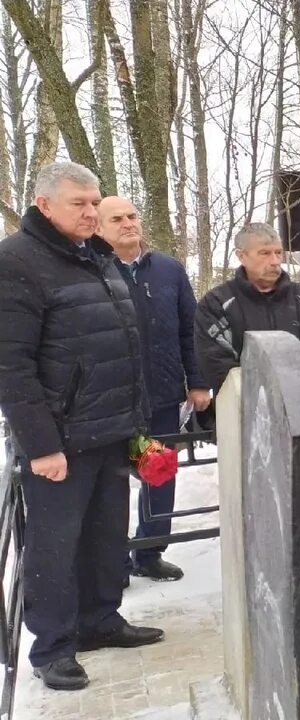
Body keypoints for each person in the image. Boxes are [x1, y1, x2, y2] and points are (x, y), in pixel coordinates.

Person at [0, 162, 164, 691]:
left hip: (111, 430)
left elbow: (122, 344)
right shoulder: (18, 262)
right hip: (60, 442)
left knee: (104, 537)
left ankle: (100, 620)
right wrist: (41, 444)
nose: (93, 212)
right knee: (55, 546)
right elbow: (11, 362)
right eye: (80, 204)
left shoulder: (95, 257)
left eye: (96, 202)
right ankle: (52, 646)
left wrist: (136, 424)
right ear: (44, 205)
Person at [98, 195, 210, 583]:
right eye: (117, 219)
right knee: (111, 485)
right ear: (98, 227)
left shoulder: (168, 269)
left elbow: (189, 328)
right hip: (110, 401)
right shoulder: (92, 269)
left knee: (159, 476)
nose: (128, 223)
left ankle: (150, 552)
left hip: (162, 395)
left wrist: (197, 381)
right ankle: (113, 562)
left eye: (132, 216)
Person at [195, 223, 300, 394]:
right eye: (264, 253)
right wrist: (262, 398)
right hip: (241, 410)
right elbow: (215, 363)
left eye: (278, 253)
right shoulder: (217, 304)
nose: (275, 261)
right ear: (241, 256)